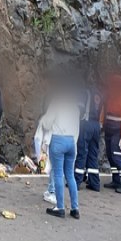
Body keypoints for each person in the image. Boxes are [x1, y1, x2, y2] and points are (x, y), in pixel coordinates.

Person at [40, 76, 81, 219]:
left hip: (58, 140)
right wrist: (73, 142)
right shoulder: (75, 107)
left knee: (58, 174)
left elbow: (47, 123)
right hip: (71, 141)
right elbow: (77, 128)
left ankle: (60, 207)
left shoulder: (56, 102)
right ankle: (75, 209)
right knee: (70, 175)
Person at [74, 87, 103, 191]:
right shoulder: (99, 94)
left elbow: (79, 108)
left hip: (86, 123)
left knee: (82, 152)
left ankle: (76, 182)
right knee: (93, 154)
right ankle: (94, 183)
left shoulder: (86, 91)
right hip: (96, 125)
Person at [34, 114, 56, 204]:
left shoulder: (57, 106)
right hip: (68, 141)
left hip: (56, 140)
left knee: (55, 167)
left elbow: (47, 123)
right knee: (54, 167)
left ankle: (53, 192)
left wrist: (43, 120)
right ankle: (51, 190)